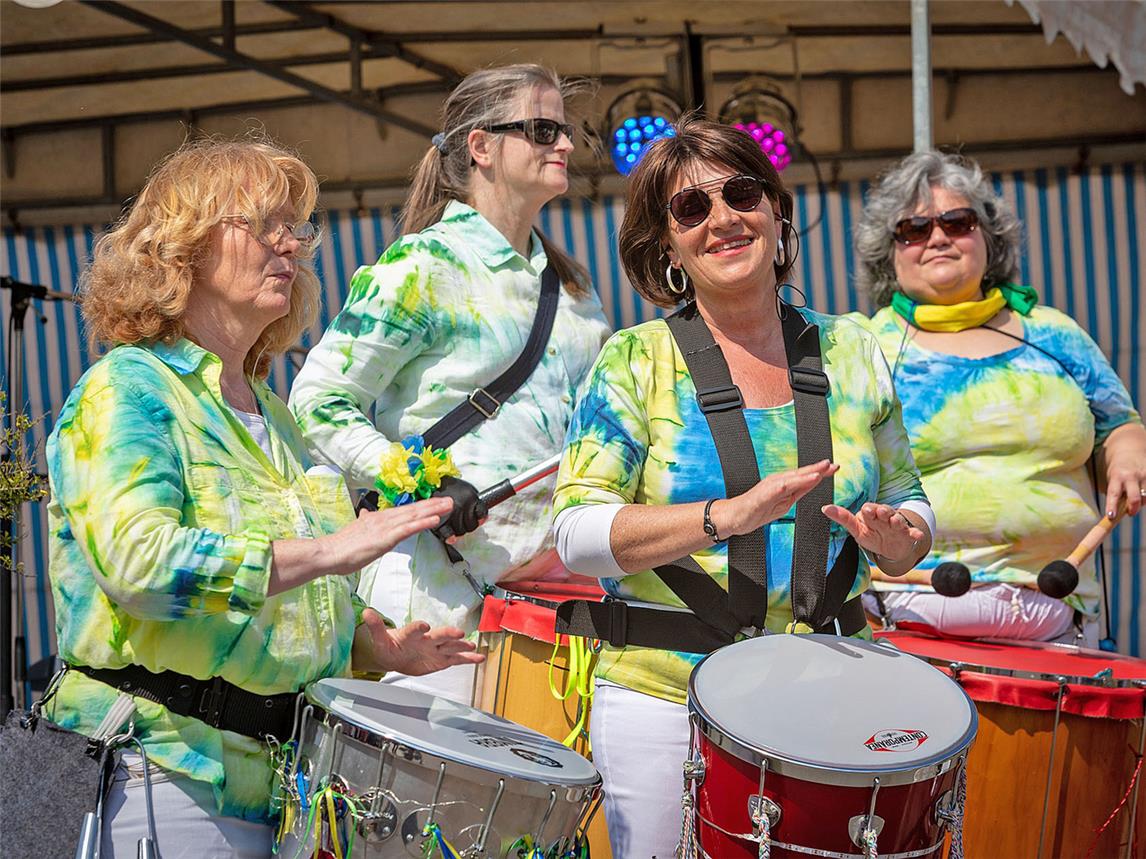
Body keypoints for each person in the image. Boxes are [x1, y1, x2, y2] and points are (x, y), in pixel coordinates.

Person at [43, 139, 482, 858]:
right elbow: (137, 565)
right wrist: (332, 549)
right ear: (182, 247)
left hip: (278, 790)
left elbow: (286, 600)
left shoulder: (276, 418)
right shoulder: (129, 388)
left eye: (299, 227)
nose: (292, 245)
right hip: (157, 771)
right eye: (266, 223)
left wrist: (375, 642)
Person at [550, 118, 934, 858]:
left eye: (741, 192)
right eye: (691, 209)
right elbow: (576, 533)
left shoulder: (854, 345)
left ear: (776, 211)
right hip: (667, 698)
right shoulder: (633, 360)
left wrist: (902, 537)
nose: (723, 218)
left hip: (838, 684)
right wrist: (721, 517)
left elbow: (910, 495)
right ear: (665, 246)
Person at [289, 64, 611, 704]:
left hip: (562, 608)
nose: (566, 145)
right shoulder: (422, 264)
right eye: (543, 129)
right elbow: (316, 401)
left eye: (565, 130)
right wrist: (421, 480)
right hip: (439, 604)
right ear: (482, 147)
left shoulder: (573, 286)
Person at [854, 151, 1146, 644]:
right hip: (902, 614)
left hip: (1059, 607)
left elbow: (1117, 422)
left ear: (989, 237)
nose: (938, 237)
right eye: (914, 229)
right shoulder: (863, 346)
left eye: (957, 221)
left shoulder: (1053, 332)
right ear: (890, 253)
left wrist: (1127, 449)